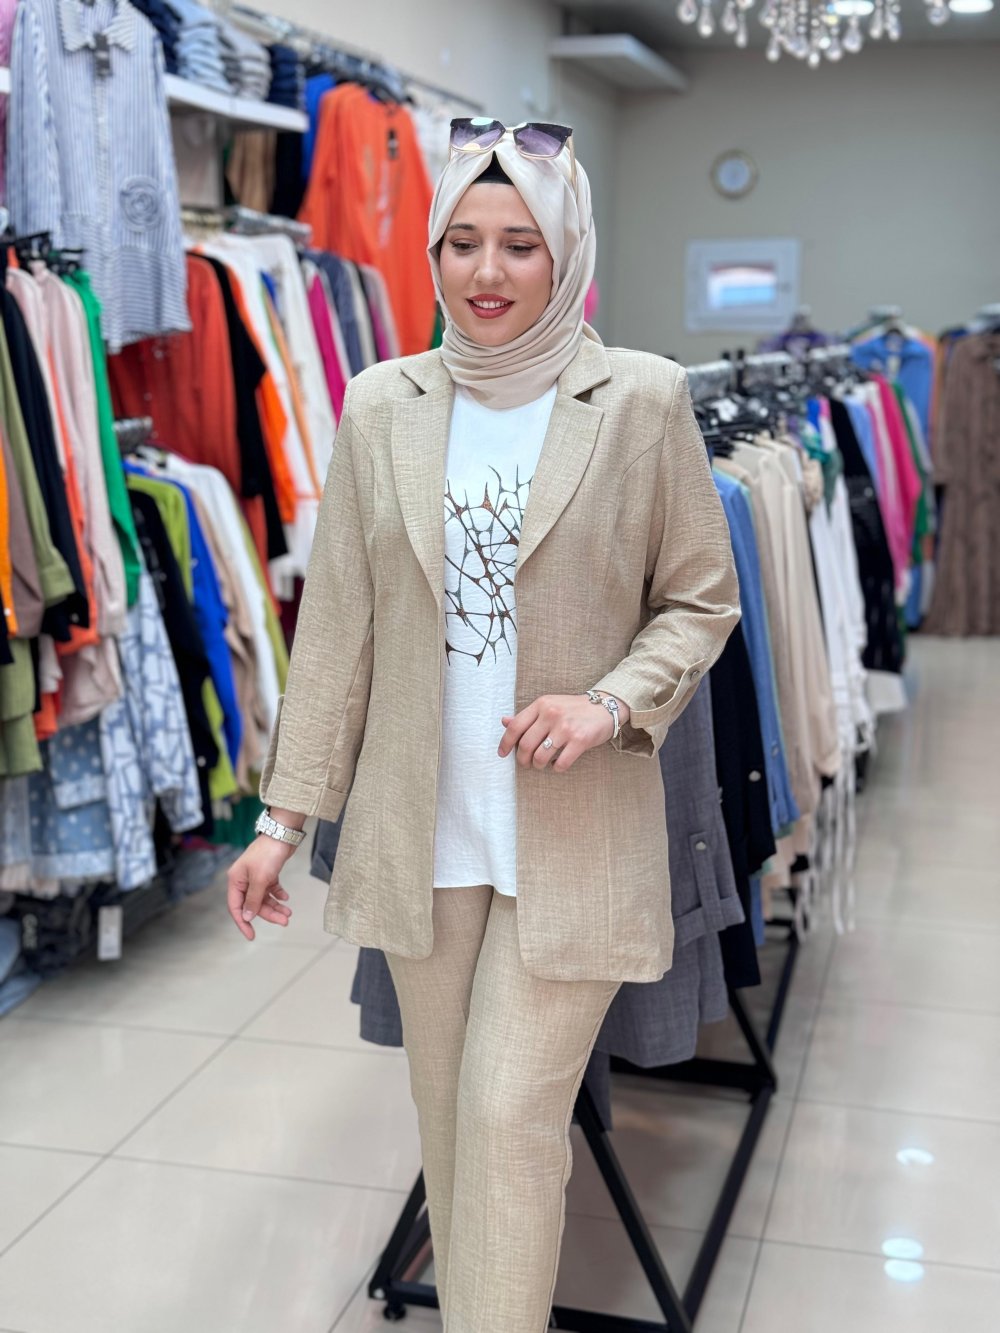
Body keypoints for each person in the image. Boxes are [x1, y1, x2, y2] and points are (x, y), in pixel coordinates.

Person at [227, 118, 740, 1333]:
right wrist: (281, 821)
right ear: (433, 251)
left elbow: (699, 599)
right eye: (462, 241)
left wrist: (610, 700)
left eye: (519, 243)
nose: (487, 271)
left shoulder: (640, 399)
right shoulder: (381, 405)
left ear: (567, 252)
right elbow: (337, 630)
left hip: (575, 836)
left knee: (510, 1124)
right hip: (427, 837)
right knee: (452, 1131)